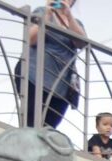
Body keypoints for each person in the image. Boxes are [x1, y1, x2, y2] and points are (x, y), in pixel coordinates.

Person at [22, 0, 85, 130]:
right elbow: (30, 39)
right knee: (31, 125)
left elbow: (82, 43)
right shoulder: (41, 11)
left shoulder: (76, 23)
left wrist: (68, 15)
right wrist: (47, 14)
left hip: (61, 85)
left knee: (49, 129)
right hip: (35, 76)